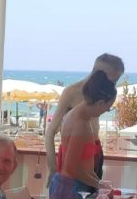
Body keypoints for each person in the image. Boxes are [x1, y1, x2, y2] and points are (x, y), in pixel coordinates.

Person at [44, 53, 125, 188]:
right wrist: (52, 168)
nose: (113, 85)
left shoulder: (101, 94)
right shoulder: (71, 92)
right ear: (99, 74)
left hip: (94, 153)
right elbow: (50, 132)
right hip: (75, 158)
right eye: (113, 80)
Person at [47, 70, 116, 199]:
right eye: (108, 108)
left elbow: (83, 167)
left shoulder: (78, 116)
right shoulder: (80, 124)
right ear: (101, 103)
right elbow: (72, 169)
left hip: (73, 186)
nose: (106, 112)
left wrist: (101, 185)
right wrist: (99, 185)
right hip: (70, 190)